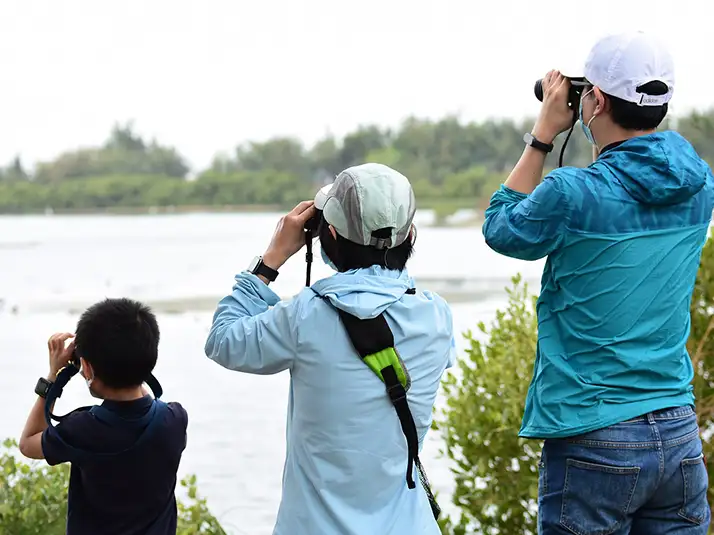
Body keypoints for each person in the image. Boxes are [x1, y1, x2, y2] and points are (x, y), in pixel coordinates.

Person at [482, 31, 713, 534]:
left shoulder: (572, 193)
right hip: (676, 430)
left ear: (598, 100)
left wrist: (543, 133)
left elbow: (500, 229)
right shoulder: (700, 184)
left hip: (593, 432)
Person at [204, 162, 455, 535]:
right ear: (410, 234)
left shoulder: (305, 316)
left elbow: (223, 340)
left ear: (329, 234)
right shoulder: (436, 315)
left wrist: (270, 261)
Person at [19, 297, 188, 535]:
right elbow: (144, 401)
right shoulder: (175, 420)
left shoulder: (82, 430)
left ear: (86, 367)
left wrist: (53, 374)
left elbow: (28, 443)